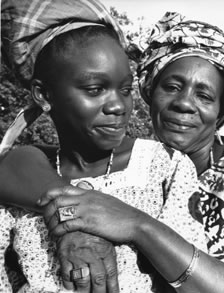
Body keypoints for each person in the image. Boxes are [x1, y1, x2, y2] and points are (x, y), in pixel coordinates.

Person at [0, 9, 224, 293]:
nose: (184, 104)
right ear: (150, 92)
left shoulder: (222, 171)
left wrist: (135, 223)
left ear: (222, 109)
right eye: (172, 87)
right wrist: (73, 220)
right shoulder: (36, 169)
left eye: (204, 95)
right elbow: (17, 163)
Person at [0, 1, 207, 292]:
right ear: (43, 94)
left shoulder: (164, 168)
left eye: (125, 90)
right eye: (95, 89)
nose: (117, 106)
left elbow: (198, 279)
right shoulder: (24, 180)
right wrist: (72, 219)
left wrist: (135, 224)